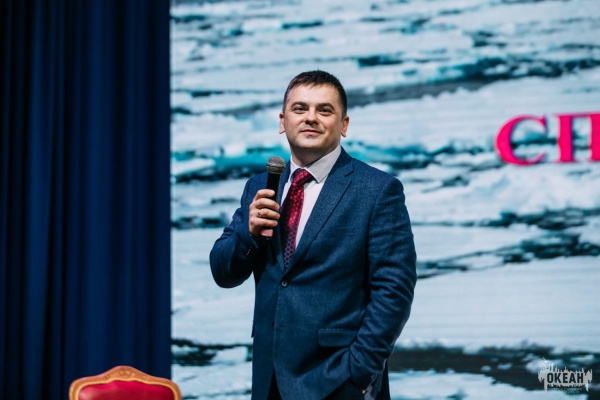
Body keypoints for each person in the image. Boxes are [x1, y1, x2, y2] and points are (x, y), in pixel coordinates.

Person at [210, 70, 416, 400]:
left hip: (339, 381)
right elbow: (223, 272)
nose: (311, 118)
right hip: (270, 380)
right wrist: (248, 235)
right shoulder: (259, 186)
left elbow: (394, 291)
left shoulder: (377, 190)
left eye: (324, 110)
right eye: (300, 108)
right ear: (282, 121)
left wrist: (359, 373)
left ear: (343, 125)